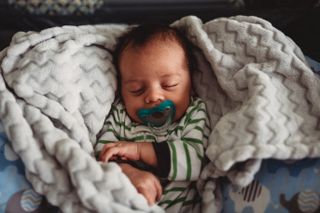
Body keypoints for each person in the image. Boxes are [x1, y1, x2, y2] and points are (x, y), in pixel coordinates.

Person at [95, 24, 210, 213]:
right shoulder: (121, 116)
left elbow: (196, 160)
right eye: (137, 90)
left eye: (169, 84)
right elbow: (103, 154)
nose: (154, 97)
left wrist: (140, 151)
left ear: (191, 84)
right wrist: (129, 172)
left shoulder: (193, 113)